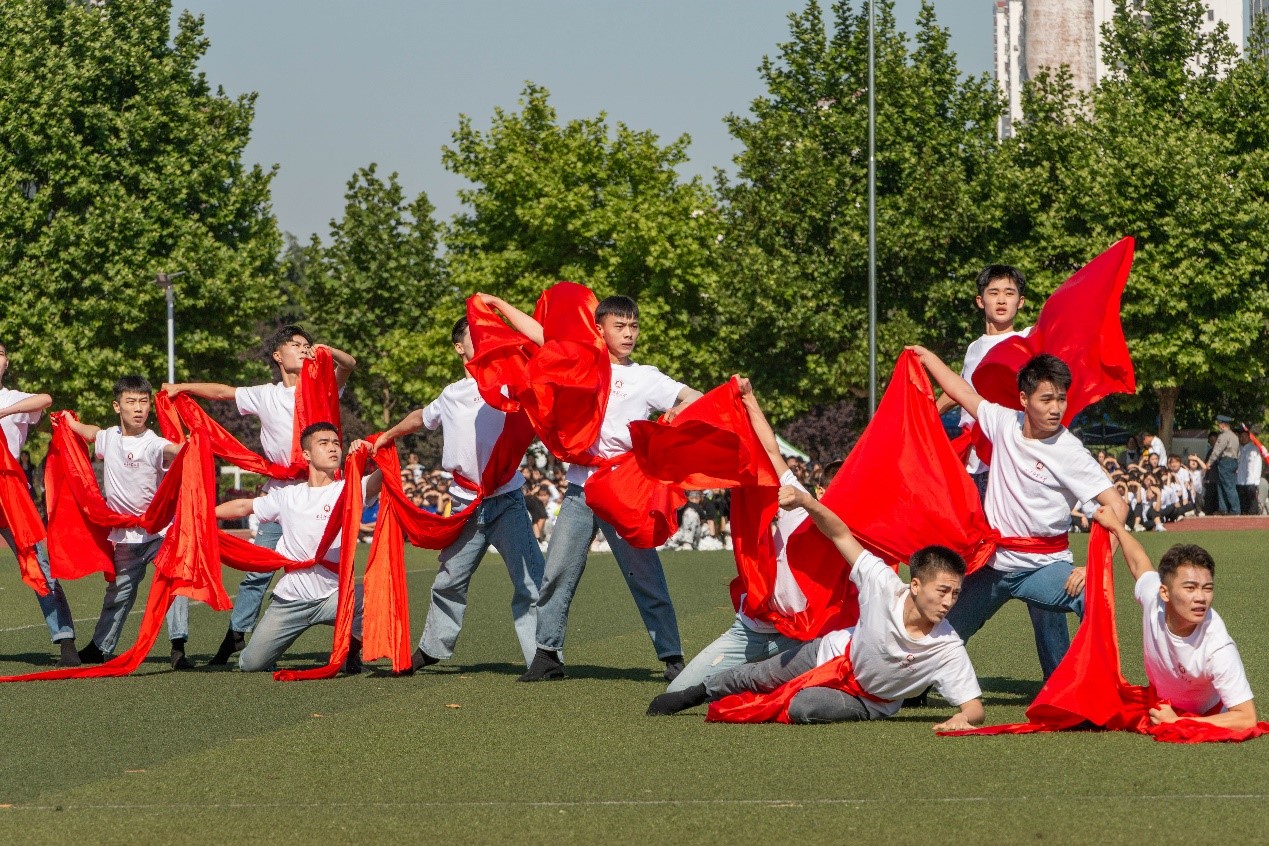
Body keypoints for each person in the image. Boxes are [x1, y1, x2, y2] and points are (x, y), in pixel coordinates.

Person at [480, 292, 703, 682]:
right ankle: (547, 656)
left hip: (623, 490)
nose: (629, 333)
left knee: (645, 575)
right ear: (599, 329)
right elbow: (539, 335)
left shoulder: (646, 377)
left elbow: (695, 397)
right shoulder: (582, 361)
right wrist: (498, 303)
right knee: (557, 572)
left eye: (634, 326)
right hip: (580, 490)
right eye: (620, 326)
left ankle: (672, 658)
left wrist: (673, 413)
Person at [646, 484, 985, 731]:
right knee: (757, 675)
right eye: (943, 591)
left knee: (802, 705)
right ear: (916, 585)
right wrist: (807, 501)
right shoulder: (882, 584)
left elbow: (974, 707)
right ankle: (699, 692)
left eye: (955, 594)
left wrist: (963, 717)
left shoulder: (947, 646)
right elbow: (840, 534)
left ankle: (763, 700)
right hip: (829, 652)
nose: (948, 602)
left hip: (867, 700)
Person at [908, 348, 1128, 678]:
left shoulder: (1070, 452)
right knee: (941, 634)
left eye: (1061, 399)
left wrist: (1095, 567)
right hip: (993, 565)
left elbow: (1118, 506)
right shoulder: (1003, 422)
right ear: (1024, 399)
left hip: (1045, 568)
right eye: (1046, 399)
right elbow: (960, 389)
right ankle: (912, 687)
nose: (1056, 409)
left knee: (1092, 595)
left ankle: (1093, 687)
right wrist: (926, 357)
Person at [163, 325, 356, 665]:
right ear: (278, 355)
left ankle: (352, 640)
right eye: (296, 344)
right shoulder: (265, 394)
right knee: (257, 570)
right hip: (281, 492)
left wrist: (327, 350)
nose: (304, 349)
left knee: (333, 566)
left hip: (321, 491)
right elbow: (223, 392)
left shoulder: (323, 387)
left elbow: (349, 364)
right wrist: (182, 388)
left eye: (307, 345)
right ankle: (236, 635)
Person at [371, 316, 544, 672]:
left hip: (506, 499)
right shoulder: (450, 395)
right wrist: (388, 435)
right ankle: (432, 648)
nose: (484, 340)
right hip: (465, 504)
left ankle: (542, 657)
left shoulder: (509, 384)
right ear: (459, 348)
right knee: (449, 581)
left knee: (530, 581)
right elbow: (421, 417)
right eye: (474, 336)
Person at [932, 265, 1072, 677]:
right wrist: (922, 414)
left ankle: (1059, 678)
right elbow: (960, 391)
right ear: (980, 301)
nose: (1001, 300)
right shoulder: (974, 348)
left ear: (1021, 302)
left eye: (1009, 293)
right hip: (975, 475)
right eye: (994, 292)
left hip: (1017, 471)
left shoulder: (1029, 341)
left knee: (1037, 561)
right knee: (961, 570)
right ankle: (928, 665)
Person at [664, 378, 815, 693]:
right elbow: (769, 449)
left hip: (803, 635)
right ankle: (753, 676)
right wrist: (749, 398)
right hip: (753, 629)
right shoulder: (797, 503)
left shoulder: (840, 528)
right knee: (677, 691)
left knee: (797, 695)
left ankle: (758, 678)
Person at [215, 423, 380, 673]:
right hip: (291, 600)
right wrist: (201, 517)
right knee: (251, 665)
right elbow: (243, 507)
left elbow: (383, 478)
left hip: (336, 597)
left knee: (378, 598)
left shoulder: (349, 488)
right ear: (306, 455)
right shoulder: (288, 496)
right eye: (323, 443)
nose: (333, 448)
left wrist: (374, 450)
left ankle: (350, 654)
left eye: (336, 443)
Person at [1092, 507, 1258, 730]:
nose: (1201, 598)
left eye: (1207, 588)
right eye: (1190, 588)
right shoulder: (1153, 598)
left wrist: (1179, 722)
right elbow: (1139, 563)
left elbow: (1246, 718)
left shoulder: (1218, 646)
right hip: (1158, 704)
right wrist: (1116, 527)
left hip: (1205, 716)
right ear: (1165, 592)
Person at [67, 376, 192, 669]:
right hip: (125, 536)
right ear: (117, 406)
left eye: (143, 402)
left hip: (159, 533)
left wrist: (188, 446)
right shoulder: (109, 437)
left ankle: (178, 647)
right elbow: (91, 433)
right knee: (118, 593)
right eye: (131, 402)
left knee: (175, 585)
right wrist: (69, 423)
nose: (138, 408)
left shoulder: (153, 443)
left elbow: (172, 450)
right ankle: (100, 647)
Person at [0, 341, 78, 666]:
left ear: (6, 362)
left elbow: (45, 399)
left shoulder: (12, 399)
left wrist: (3, 412)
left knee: (38, 564)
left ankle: (65, 641)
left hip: (10, 492)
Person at [1209, 416, 1241, 515]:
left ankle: (1235, 510)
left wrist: (1209, 462)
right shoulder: (1234, 436)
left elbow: (1217, 450)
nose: (1218, 426)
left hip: (1226, 461)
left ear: (1223, 425)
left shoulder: (1223, 436)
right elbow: (1238, 452)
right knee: (1221, 485)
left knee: (1228, 486)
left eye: (1219, 424)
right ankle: (1223, 509)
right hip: (1233, 461)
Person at [1235, 425, 1263, 517]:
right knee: (1243, 502)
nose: (1242, 438)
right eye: (1241, 436)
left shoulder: (1253, 449)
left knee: (1252, 501)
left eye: (1244, 436)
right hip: (1240, 480)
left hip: (1251, 480)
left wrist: (1255, 480)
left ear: (1249, 437)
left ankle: (1253, 514)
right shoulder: (1239, 449)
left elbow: (1256, 466)